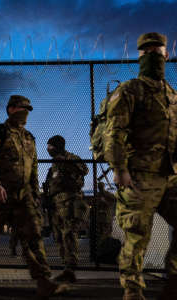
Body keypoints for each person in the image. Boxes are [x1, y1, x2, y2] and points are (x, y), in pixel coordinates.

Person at [0, 95, 68, 298]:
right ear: (11, 109)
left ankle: (43, 280)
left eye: (28, 109)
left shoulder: (29, 138)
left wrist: (35, 192)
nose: (26, 113)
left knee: (34, 237)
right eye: (23, 108)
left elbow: (33, 168)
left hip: (23, 197)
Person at [103, 32, 177, 300]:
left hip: (169, 176)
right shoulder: (130, 90)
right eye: (147, 53)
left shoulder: (172, 96)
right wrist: (119, 169)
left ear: (166, 55)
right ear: (139, 57)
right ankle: (133, 291)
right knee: (136, 237)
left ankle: (173, 280)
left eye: (157, 52)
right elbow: (114, 132)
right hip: (138, 178)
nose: (153, 56)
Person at [45, 135, 88, 283]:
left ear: (57, 146)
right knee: (58, 235)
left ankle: (70, 267)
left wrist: (67, 163)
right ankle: (66, 266)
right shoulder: (54, 164)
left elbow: (85, 169)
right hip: (57, 203)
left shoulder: (69, 158)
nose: (48, 149)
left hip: (69, 201)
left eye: (50, 146)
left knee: (69, 233)